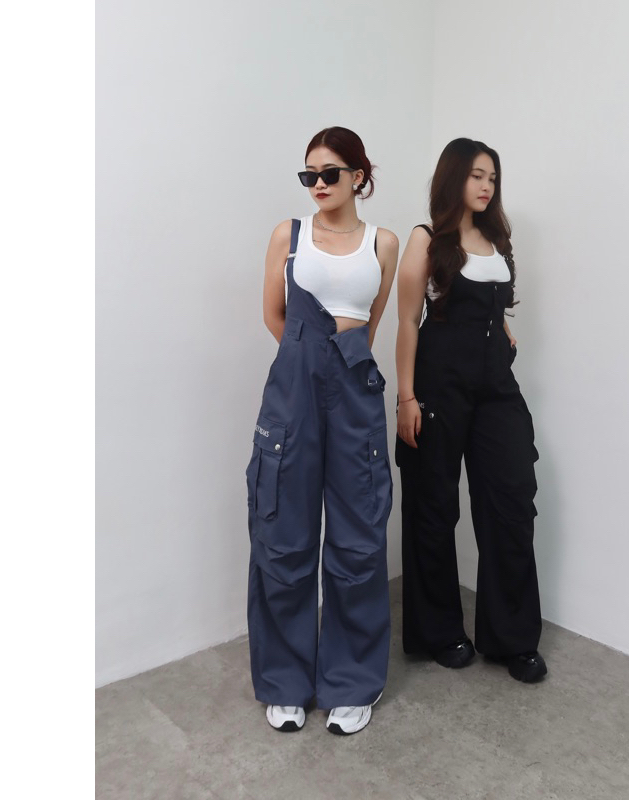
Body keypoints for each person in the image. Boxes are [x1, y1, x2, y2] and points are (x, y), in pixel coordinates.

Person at [246, 126, 398, 735]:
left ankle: (352, 681)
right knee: (283, 532)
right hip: (294, 392)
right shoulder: (289, 236)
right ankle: (286, 681)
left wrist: (338, 367)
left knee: (358, 537)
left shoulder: (383, 243)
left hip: (355, 394)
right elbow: (274, 316)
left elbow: (371, 323)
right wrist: (308, 361)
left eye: (329, 173)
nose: (317, 184)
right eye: (308, 174)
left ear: (359, 176)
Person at [395, 137, 547, 683]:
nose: (486, 186)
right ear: (453, 177)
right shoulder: (426, 238)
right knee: (434, 508)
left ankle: (512, 639)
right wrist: (406, 397)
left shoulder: (496, 239)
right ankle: (439, 631)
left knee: (511, 502)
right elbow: (408, 321)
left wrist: (500, 330)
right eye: (477, 175)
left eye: (493, 178)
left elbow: (490, 303)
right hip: (438, 388)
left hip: (496, 390)